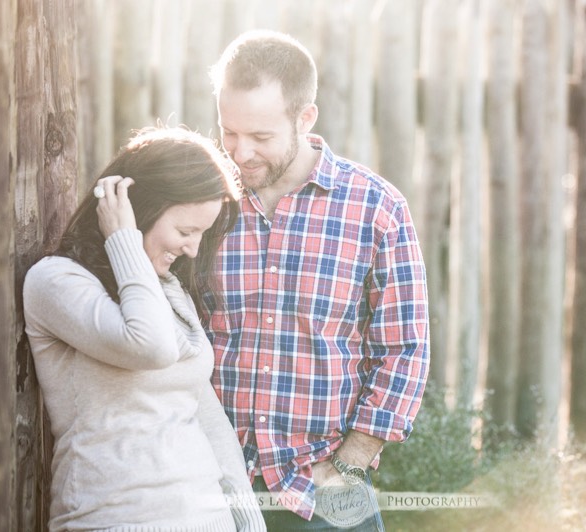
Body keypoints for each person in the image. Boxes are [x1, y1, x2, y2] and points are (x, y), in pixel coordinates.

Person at [204, 30, 430, 531]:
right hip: (212, 491)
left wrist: (347, 464)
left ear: (305, 118)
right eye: (229, 133)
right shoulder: (205, 202)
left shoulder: (375, 207)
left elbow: (405, 347)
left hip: (324, 496)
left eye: (260, 137)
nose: (239, 153)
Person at [23, 127, 266, 532]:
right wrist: (123, 239)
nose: (192, 248)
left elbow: (205, 415)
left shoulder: (164, 289)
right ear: (140, 208)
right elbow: (150, 348)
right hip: (116, 520)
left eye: (202, 234)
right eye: (186, 231)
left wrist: (249, 520)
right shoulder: (56, 282)